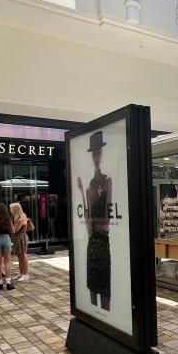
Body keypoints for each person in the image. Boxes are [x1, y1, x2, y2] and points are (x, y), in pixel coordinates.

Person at [77, 131, 112, 310]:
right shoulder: (90, 189)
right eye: (94, 153)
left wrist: (92, 220)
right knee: (92, 288)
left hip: (103, 242)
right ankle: (94, 315)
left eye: (98, 152)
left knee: (105, 291)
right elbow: (88, 224)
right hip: (93, 242)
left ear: (102, 154)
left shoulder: (107, 182)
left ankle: (106, 318)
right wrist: (83, 194)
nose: (96, 156)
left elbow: (106, 219)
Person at [0, 203, 15, 290]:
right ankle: (8, 282)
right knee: (7, 262)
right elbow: (13, 231)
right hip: (6, 239)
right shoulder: (8, 218)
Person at [10, 200, 34, 282]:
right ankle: (21, 273)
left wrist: (9, 224)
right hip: (18, 238)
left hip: (21, 238)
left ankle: (26, 274)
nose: (10, 210)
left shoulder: (20, 219)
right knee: (20, 257)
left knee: (23, 256)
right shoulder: (20, 217)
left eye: (11, 209)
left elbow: (15, 230)